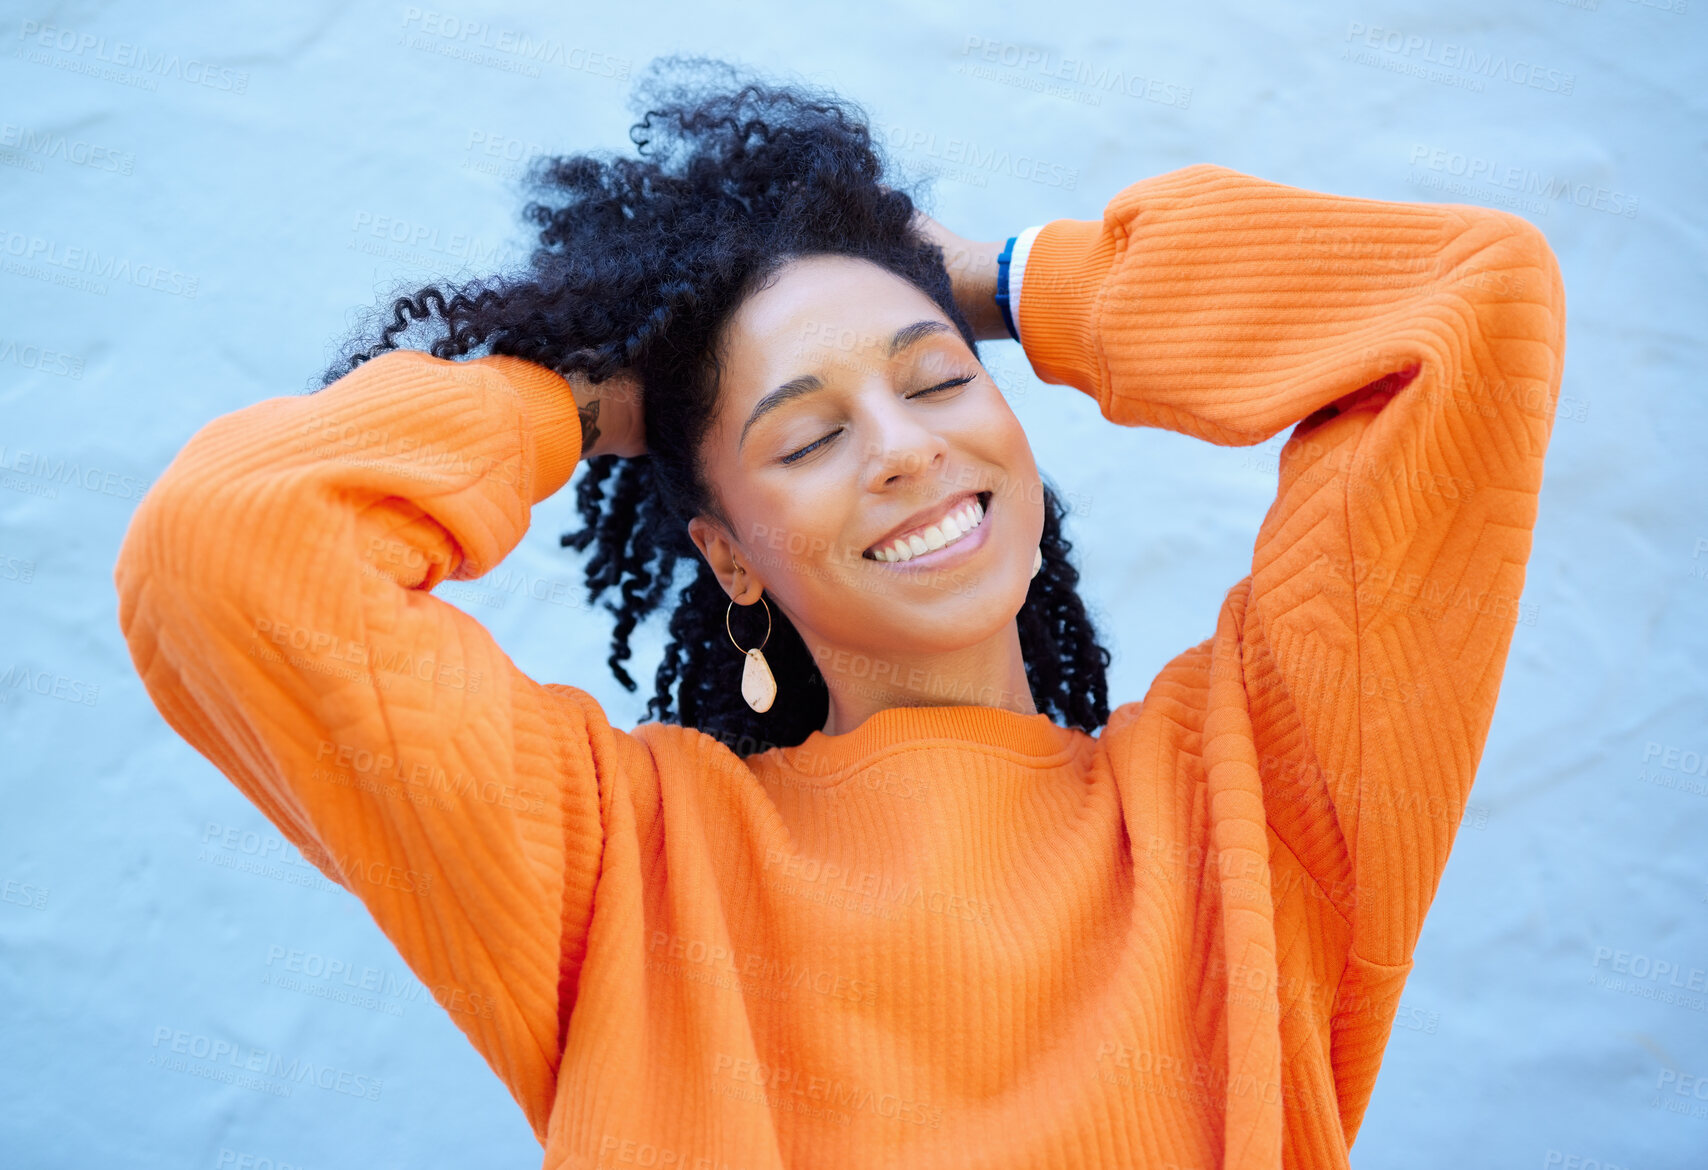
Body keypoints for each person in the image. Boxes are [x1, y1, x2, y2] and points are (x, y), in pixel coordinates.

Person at [114, 57, 1567, 1170]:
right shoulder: (620, 866)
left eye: (940, 380)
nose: (906, 447)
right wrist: (580, 398)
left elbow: (1465, 309)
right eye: (806, 438)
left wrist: (1017, 281)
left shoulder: (1251, 805)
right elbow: (225, 545)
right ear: (728, 552)